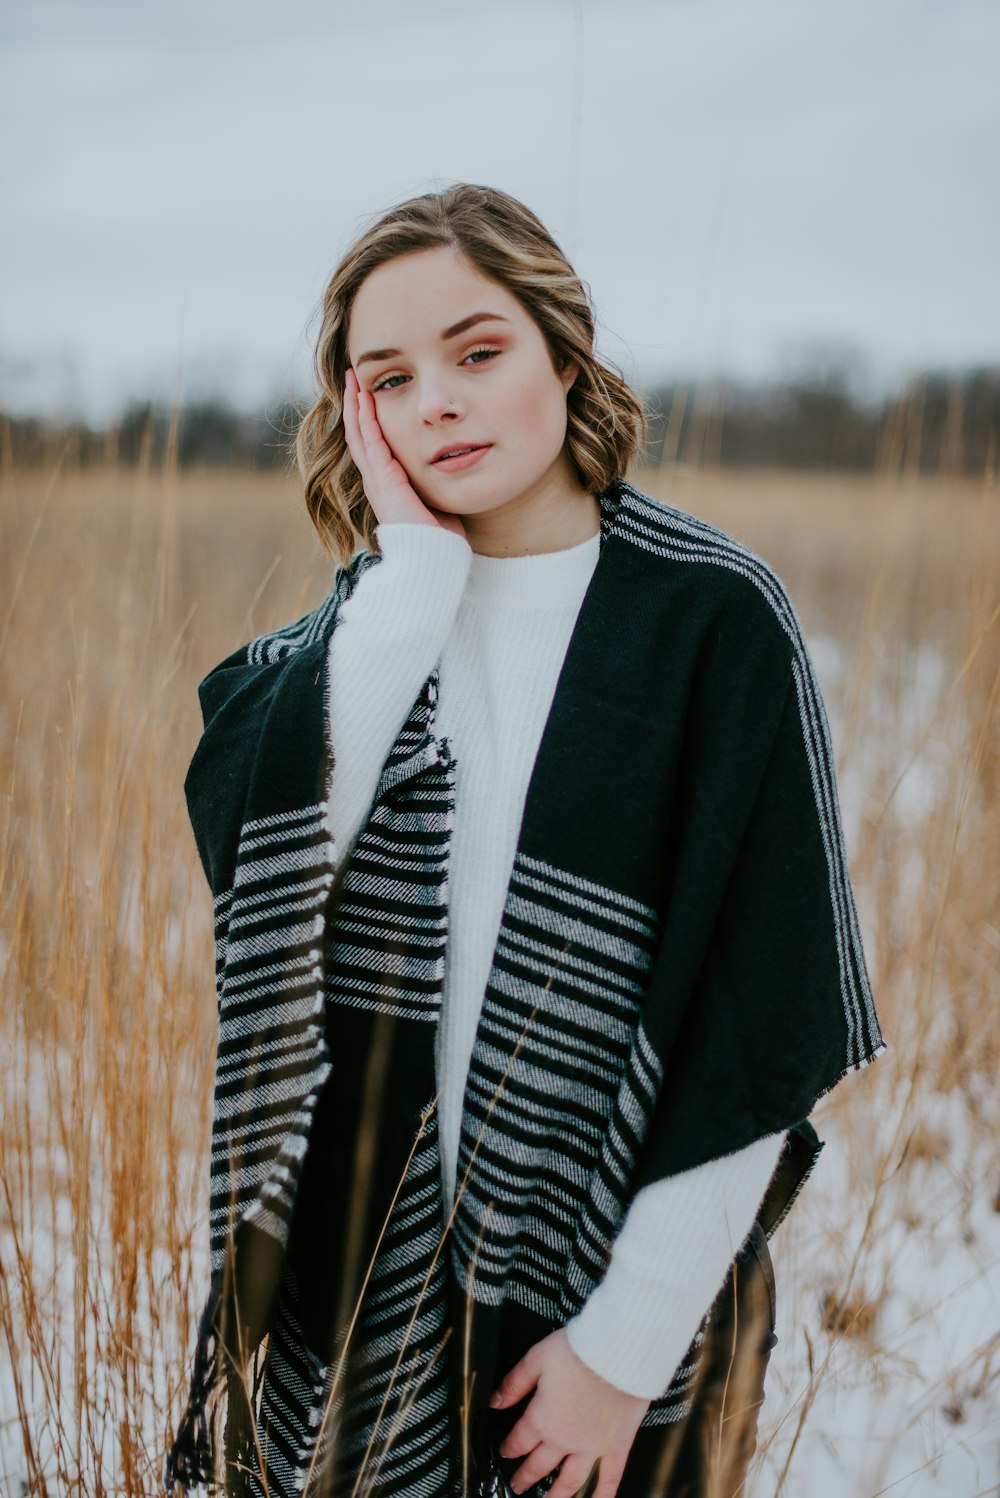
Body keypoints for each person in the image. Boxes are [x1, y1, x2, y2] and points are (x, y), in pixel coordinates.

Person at [166, 184, 885, 1498]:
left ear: (564, 351)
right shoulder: (354, 643)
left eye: (477, 351)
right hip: (361, 1315)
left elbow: (756, 1034)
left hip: (629, 1316)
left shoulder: (713, 625)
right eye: (387, 376)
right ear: (354, 416)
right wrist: (417, 581)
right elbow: (261, 872)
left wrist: (623, 1347)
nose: (436, 398)